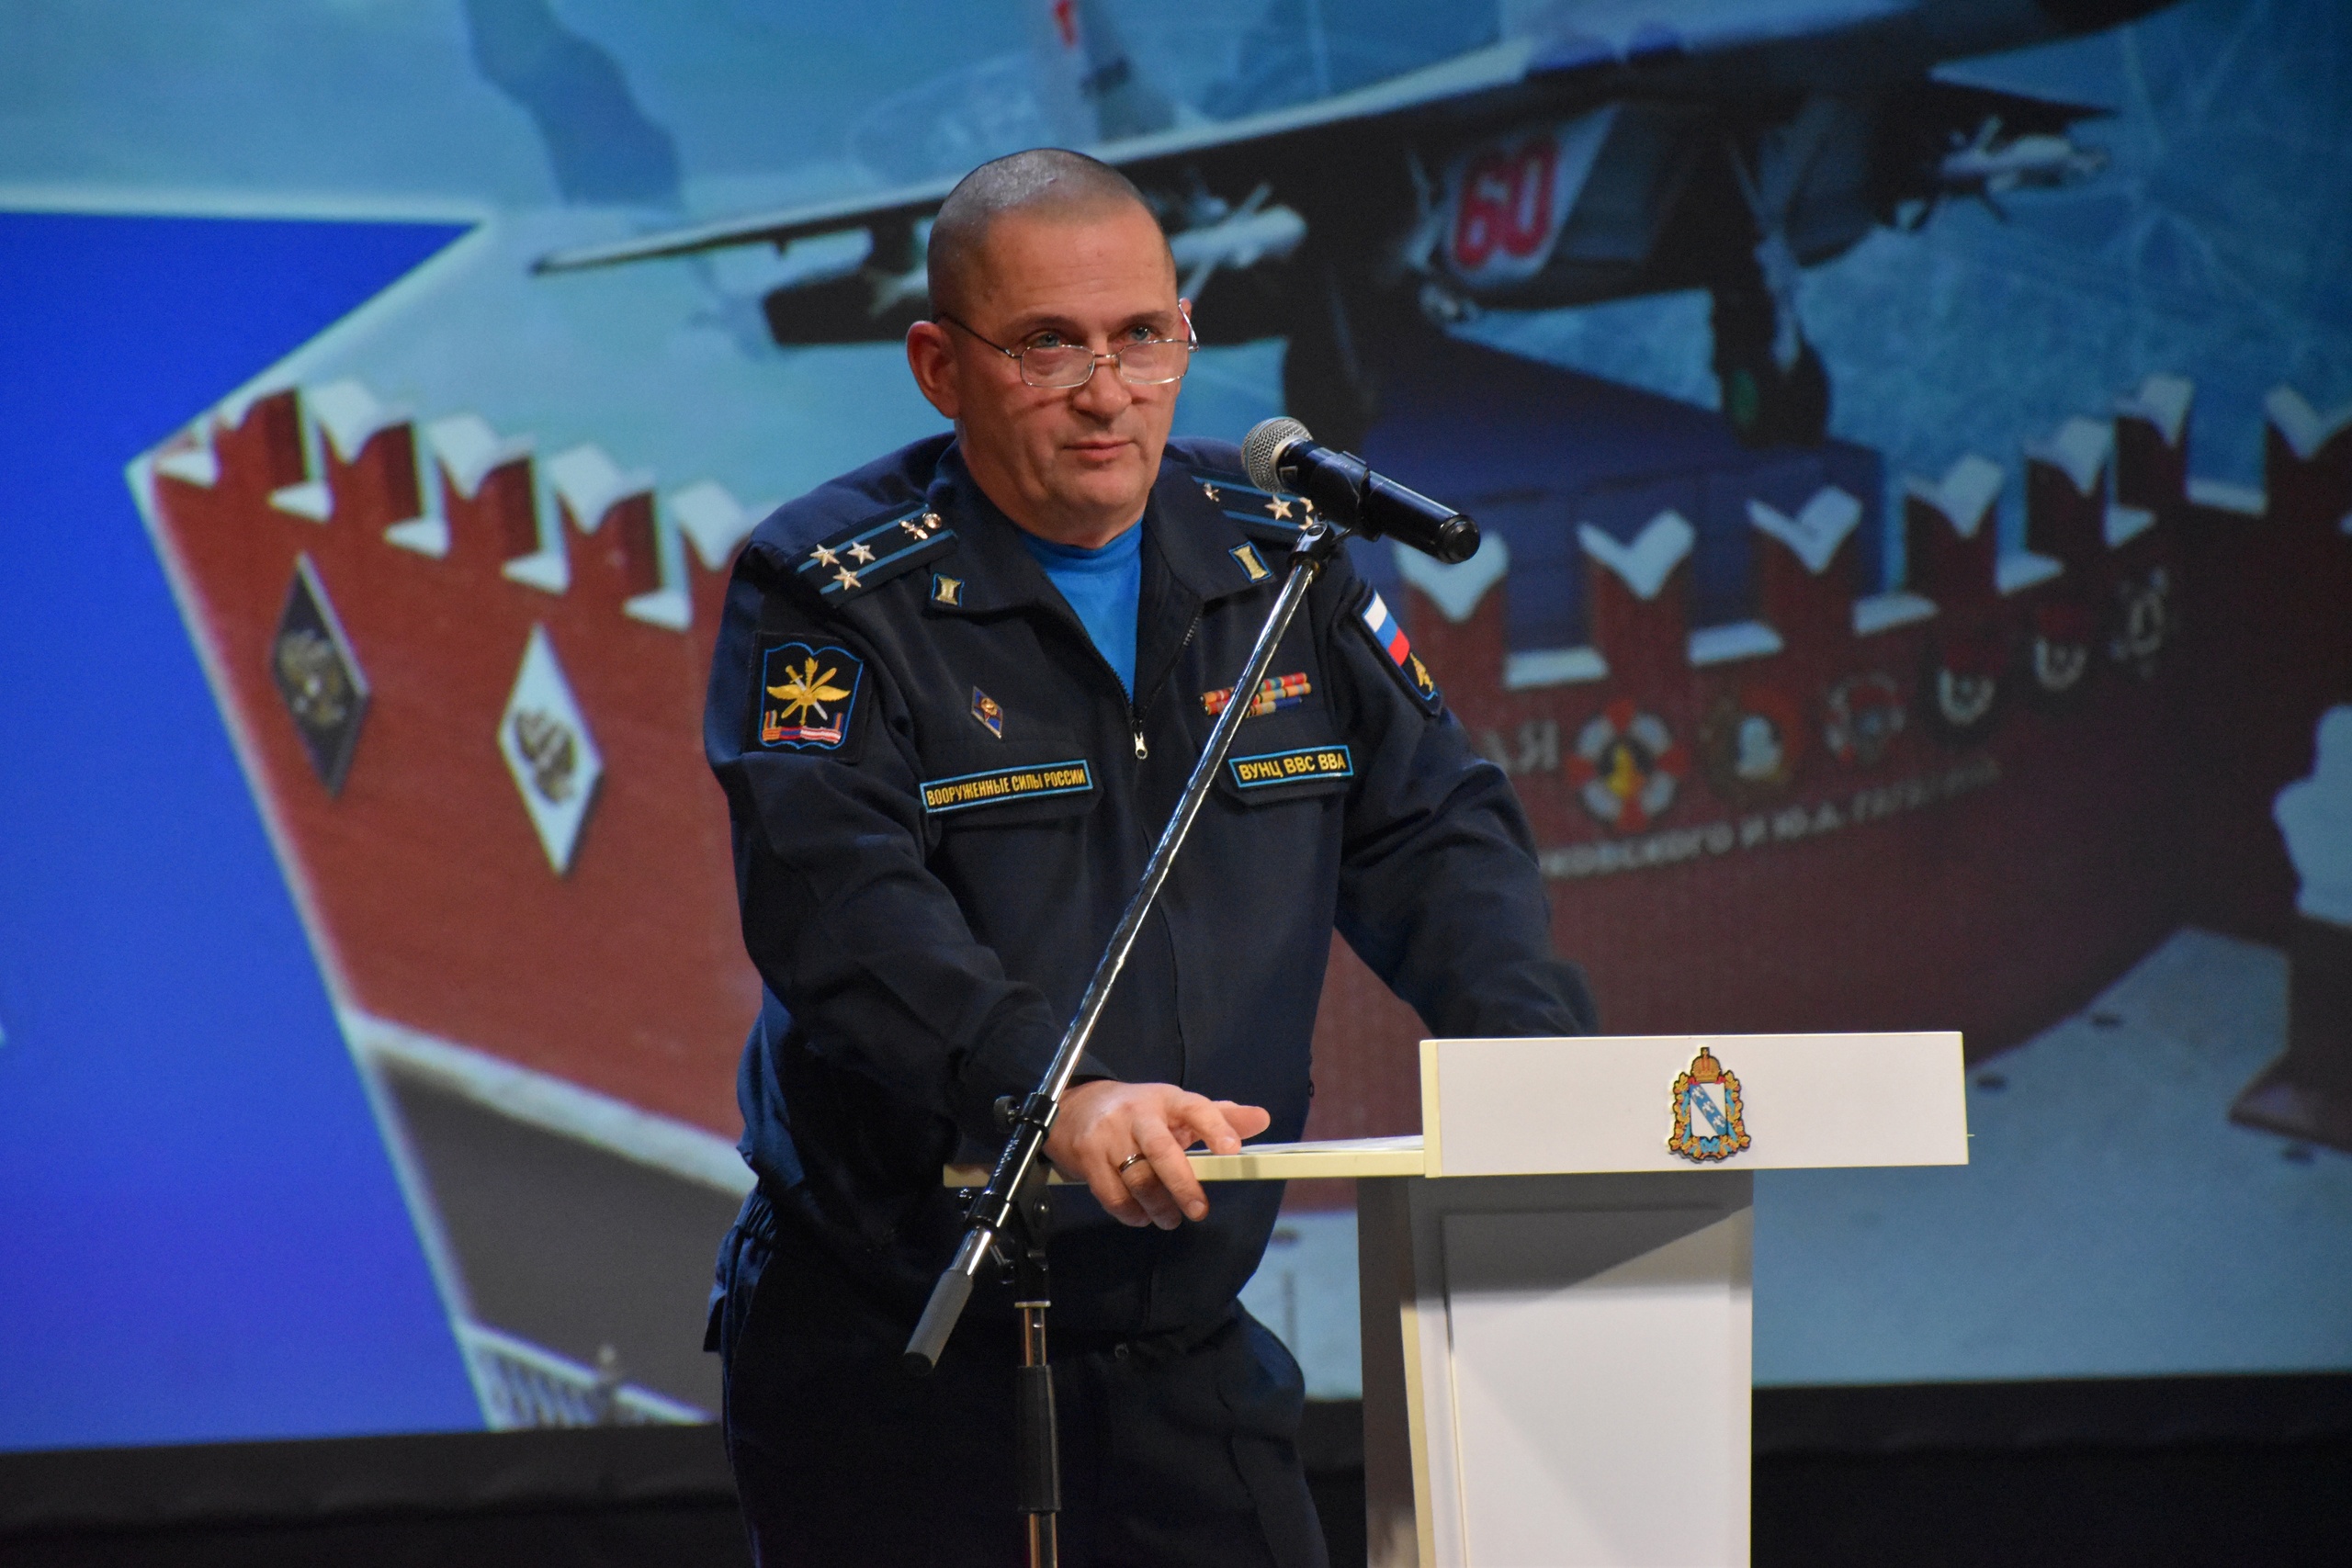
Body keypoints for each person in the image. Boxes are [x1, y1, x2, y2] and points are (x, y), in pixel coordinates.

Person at [703, 147, 1594, 1567]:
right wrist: (1054, 1094)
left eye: (1143, 336)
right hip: (897, 1342)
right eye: (1047, 346)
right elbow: (842, 912)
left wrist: (1535, 1058)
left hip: (1180, 1338)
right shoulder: (831, 591)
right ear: (939, 366)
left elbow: (1434, 828)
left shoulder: (1282, 562)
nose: (1109, 392)